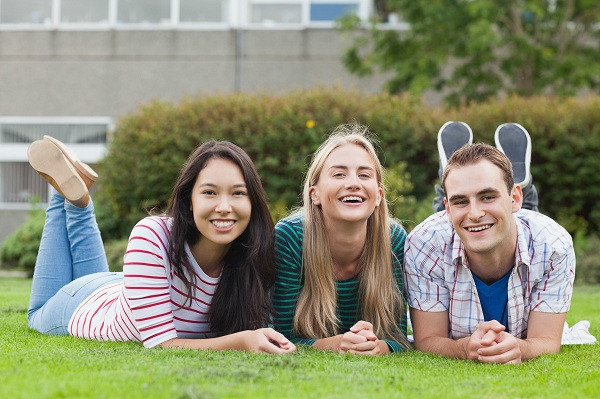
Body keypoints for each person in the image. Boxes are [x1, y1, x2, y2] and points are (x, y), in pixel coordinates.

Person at [26, 135, 296, 353]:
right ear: (189, 201)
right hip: (82, 307)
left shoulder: (256, 253)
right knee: (36, 314)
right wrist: (242, 341)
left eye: (238, 193)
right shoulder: (154, 234)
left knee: (106, 285)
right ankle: (65, 194)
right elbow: (161, 343)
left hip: (122, 289)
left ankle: (77, 195)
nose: (224, 207)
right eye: (209, 193)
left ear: (253, 201)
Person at [404, 122, 575, 364]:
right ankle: (456, 182)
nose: (475, 212)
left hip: (526, 229)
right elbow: (428, 339)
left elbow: (547, 341)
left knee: (506, 222)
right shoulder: (423, 245)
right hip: (447, 235)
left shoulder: (554, 246)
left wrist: (520, 348)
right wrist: (465, 349)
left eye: (487, 196)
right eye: (460, 201)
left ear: (515, 197)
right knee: (477, 223)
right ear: (447, 209)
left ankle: (477, 184)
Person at [273, 123, 410, 355]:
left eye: (364, 175)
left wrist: (379, 347)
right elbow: (280, 336)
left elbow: (398, 337)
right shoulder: (290, 238)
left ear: (378, 195)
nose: (353, 183)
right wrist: (336, 344)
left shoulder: (393, 239)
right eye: (339, 174)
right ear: (314, 194)